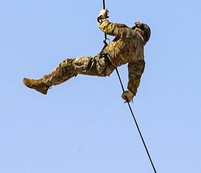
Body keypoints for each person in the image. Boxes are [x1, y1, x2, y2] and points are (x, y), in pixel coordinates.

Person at [23, 9, 151, 103]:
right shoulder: (140, 56)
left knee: (68, 65)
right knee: (72, 68)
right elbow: (135, 76)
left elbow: (105, 27)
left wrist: (101, 16)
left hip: (100, 62)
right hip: (106, 69)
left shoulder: (128, 32)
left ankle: (44, 84)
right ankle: (45, 84)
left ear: (137, 29)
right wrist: (131, 93)